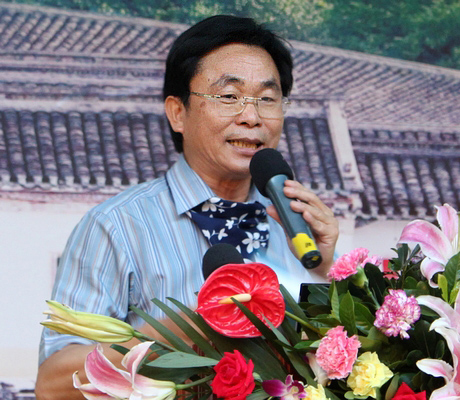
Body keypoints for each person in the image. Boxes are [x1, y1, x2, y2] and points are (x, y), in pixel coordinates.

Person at [35, 15, 338, 399]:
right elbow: (53, 386)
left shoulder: (299, 225)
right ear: (178, 112)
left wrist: (328, 271)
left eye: (267, 99)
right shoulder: (116, 226)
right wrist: (176, 334)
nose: (251, 117)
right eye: (229, 97)